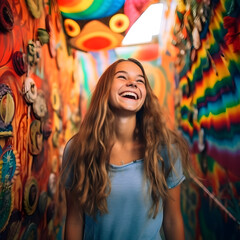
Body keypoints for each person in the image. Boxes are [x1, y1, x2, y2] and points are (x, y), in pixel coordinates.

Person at [61, 58, 191, 240]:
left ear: (145, 94)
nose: (132, 83)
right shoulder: (77, 149)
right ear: (105, 89)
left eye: (140, 81)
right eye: (122, 77)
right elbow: (75, 220)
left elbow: (172, 220)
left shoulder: (165, 149)